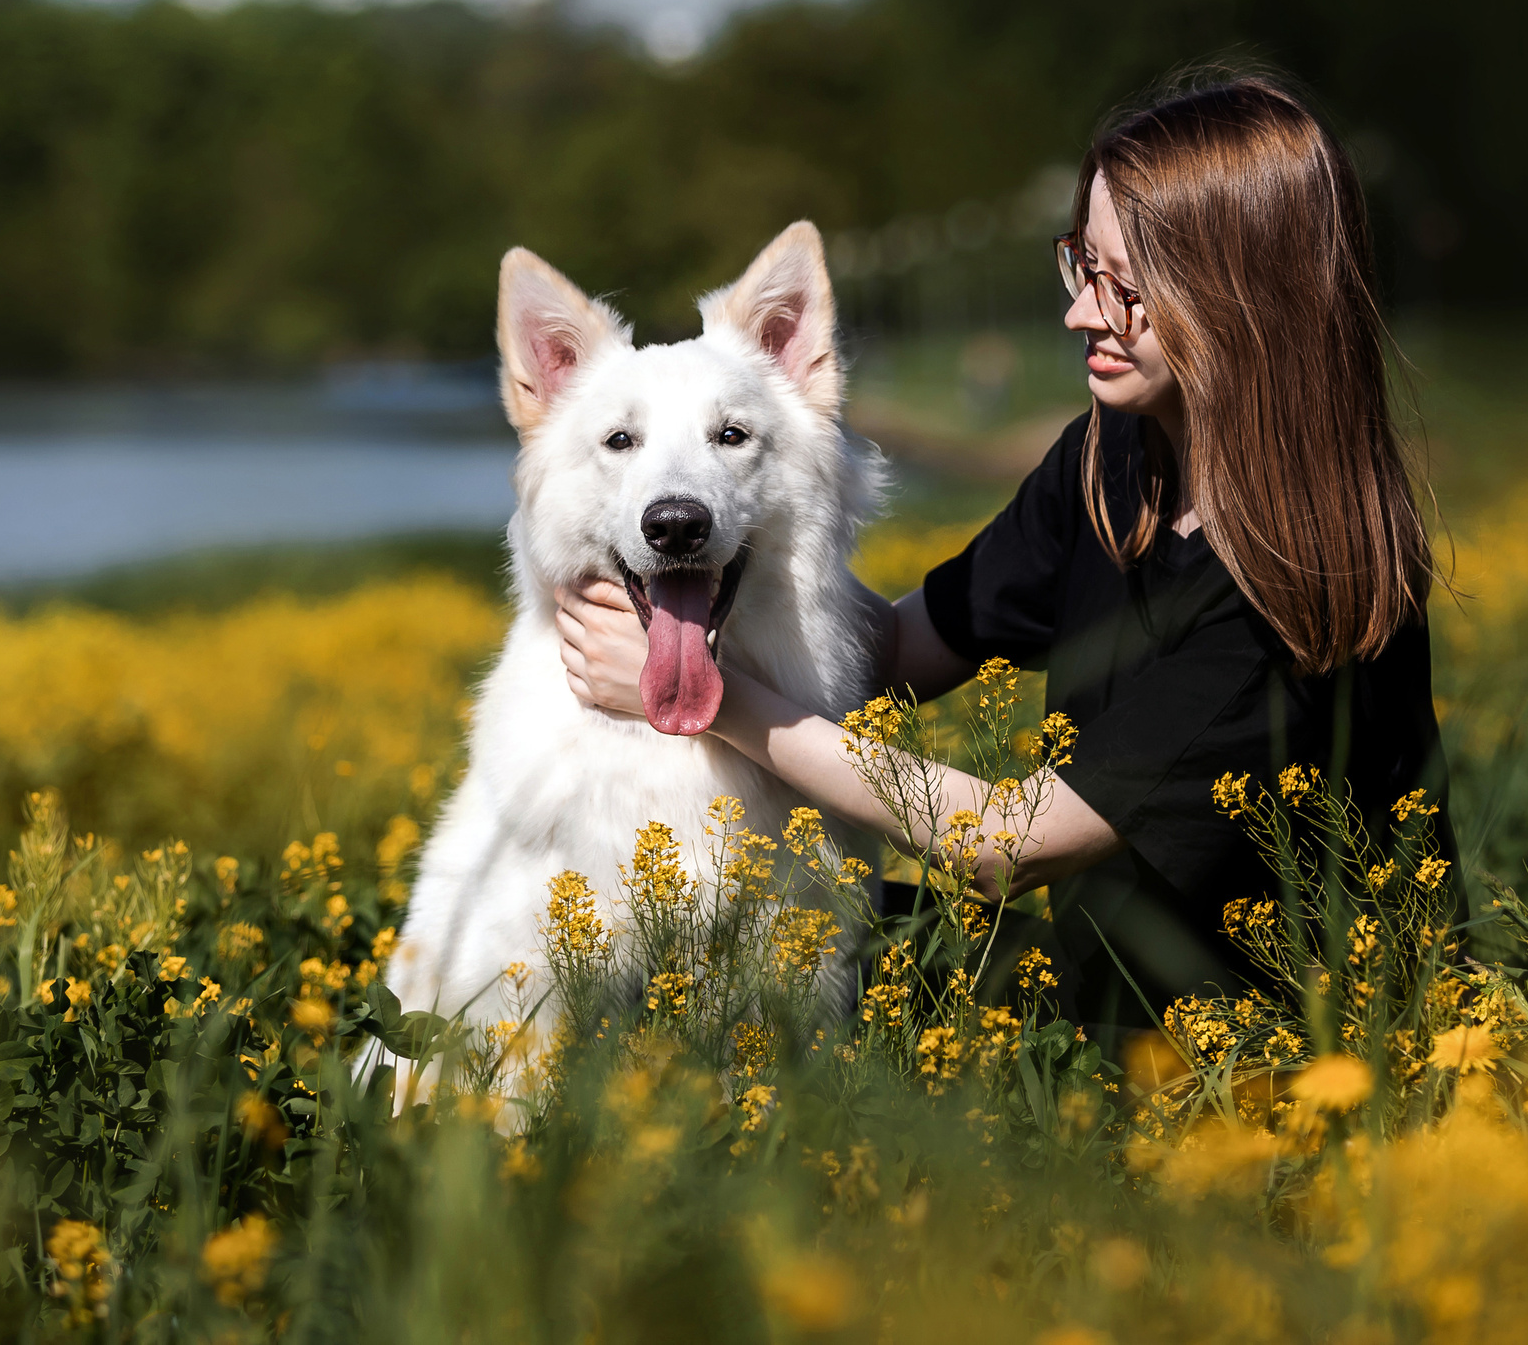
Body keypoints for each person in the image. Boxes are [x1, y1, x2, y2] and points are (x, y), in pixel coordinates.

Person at [555, 73, 1451, 1042]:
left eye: (1125, 289)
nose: (1079, 315)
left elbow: (1006, 846)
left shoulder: (1285, 594)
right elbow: (896, 650)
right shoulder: (1113, 462)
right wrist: (701, 569)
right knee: (688, 942)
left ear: (1241, 298)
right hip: (1101, 975)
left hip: (1268, 1046)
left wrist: (721, 702)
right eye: (1081, 267)